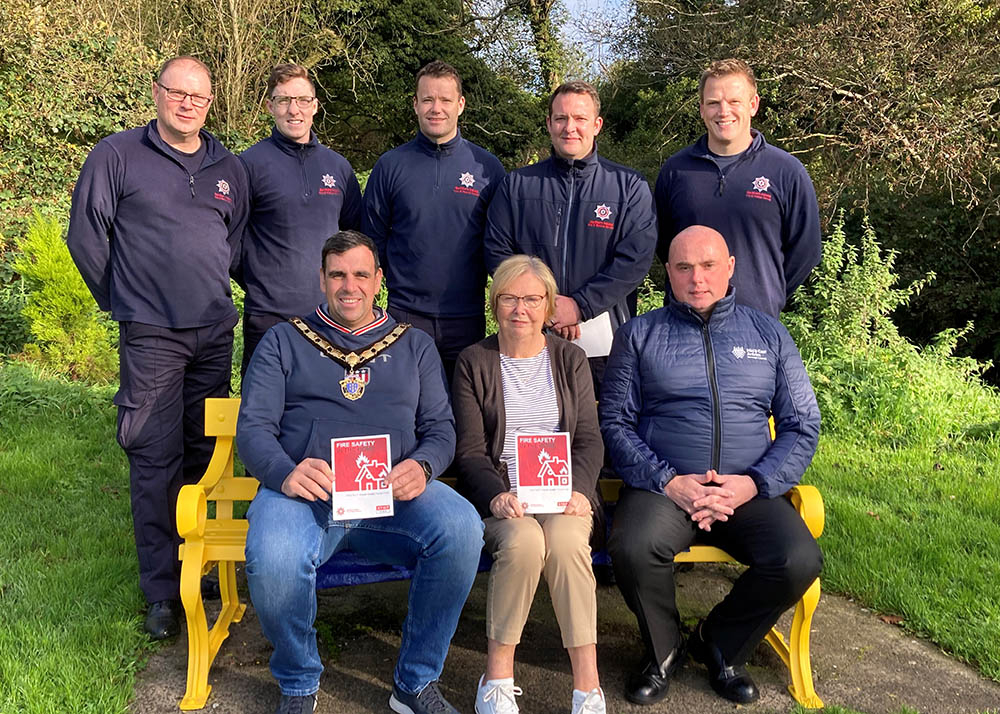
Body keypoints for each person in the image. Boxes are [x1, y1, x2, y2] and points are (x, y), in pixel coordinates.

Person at [236, 230, 484, 714]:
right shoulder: (284, 340)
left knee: (461, 529)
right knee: (274, 556)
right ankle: (298, 682)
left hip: (391, 498)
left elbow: (440, 428)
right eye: (337, 275)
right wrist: (285, 472)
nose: (349, 286)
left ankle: (414, 682)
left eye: (360, 275)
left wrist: (423, 464)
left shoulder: (415, 345)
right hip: (304, 496)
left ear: (378, 281)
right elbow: (253, 430)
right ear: (322, 280)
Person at [599, 225, 823, 705]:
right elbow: (615, 422)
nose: (696, 278)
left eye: (707, 266)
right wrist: (668, 480)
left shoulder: (768, 332)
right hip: (665, 486)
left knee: (798, 559)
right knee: (633, 547)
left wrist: (754, 483)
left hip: (747, 487)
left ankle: (721, 642)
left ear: (730, 269)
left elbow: (802, 423)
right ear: (669, 273)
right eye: (683, 267)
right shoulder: (639, 334)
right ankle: (663, 651)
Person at [66, 55, 249, 640]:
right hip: (151, 334)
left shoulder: (229, 166)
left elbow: (233, 240)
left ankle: (208, 569)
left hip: (214, 332)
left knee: (207, 454)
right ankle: (163, 590)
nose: (187, 103)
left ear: (211, 101)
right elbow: (85, 234)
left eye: (198, 96)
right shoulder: (117, 155)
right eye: (177, 92)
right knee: (153, 455)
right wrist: (124, 299)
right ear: (157, 93)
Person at [452, 256, 606, 714]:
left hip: (564, 497)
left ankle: (587, 688)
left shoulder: (570, 359)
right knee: (522, 542)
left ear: (548, 305)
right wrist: (495, 495)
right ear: (494, 303)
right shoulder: (473, 362)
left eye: (533, 299)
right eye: (509, 298)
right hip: (504, 500)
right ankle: (496, 679)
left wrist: (579, 489)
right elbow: (471, 452)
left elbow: (589, 439)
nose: (521, 309)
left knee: (562, 541)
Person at [484, 80, 657, 391]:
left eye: (580, 119)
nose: (570, 128)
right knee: (533, 430)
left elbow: (634, 260)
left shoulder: (628, 187)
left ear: (597, 125)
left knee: (598, 433)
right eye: (561, 118)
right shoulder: (517, 186)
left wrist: (579, 307)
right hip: (530, 334)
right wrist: (545, 307)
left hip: (604, 345)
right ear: (549, 124)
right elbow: (497, 251)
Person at [363, 60, 506, 382]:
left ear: (461, 105)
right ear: (415, 104)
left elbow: (499, 243)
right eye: (427, 99)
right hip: (404, 317)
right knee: (407, 413)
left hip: (467, 318)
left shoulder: (488, 168)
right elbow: (371, 240)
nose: (436, 108)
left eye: (444, 100)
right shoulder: (390, 166)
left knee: (465, 417)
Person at [654, 59, 822, 318]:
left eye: (734, 101)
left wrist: (768, 292)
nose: (724, 111)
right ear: (701, 108)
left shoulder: (787, 171)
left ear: (753, 105)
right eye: (713, 103)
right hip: (685, 323)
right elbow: (665, 245)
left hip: (757, 324)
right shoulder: (676, 171)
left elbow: (806, 252)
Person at [239, 63, 362, 373]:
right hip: (268, 318)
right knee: (263, 413)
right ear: (270, 106)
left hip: (329, 318)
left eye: (302, 100)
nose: (294, 110)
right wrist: (259, 281)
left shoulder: (338, 168)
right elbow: (228, 238)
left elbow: (355, 240)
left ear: (315, 106)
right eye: (283, 101)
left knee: (325, 410)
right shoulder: (248, 165)